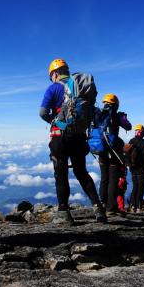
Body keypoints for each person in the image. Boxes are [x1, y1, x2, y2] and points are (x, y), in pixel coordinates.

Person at [39, 58, 107, 224]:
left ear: (54, 73)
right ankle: (98, 209)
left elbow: (42, 113)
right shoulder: (79, 88)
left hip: (60, 138)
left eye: (51, 76)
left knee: (61, 173)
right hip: (78, 136)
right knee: (81, 172)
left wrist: (54, 121)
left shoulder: (53, 88)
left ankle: (64, 213)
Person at [94, 93, 132, 215]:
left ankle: (102, 204)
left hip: (101, 151)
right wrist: (123, 117)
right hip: (113, 152)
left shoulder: (98, 115)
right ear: (116, 105)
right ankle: (111, 207)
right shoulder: (116, 116)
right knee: (113, 180)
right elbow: (129, 126)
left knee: (104, 179)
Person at [126, 124, 144, 212]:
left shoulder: (131, 141)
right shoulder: (143, 143)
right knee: (141, 188)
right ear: (142, 132)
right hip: (141, 170)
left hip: (133, 170)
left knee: (135, 187)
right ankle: (138, 206)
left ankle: (132, 205)